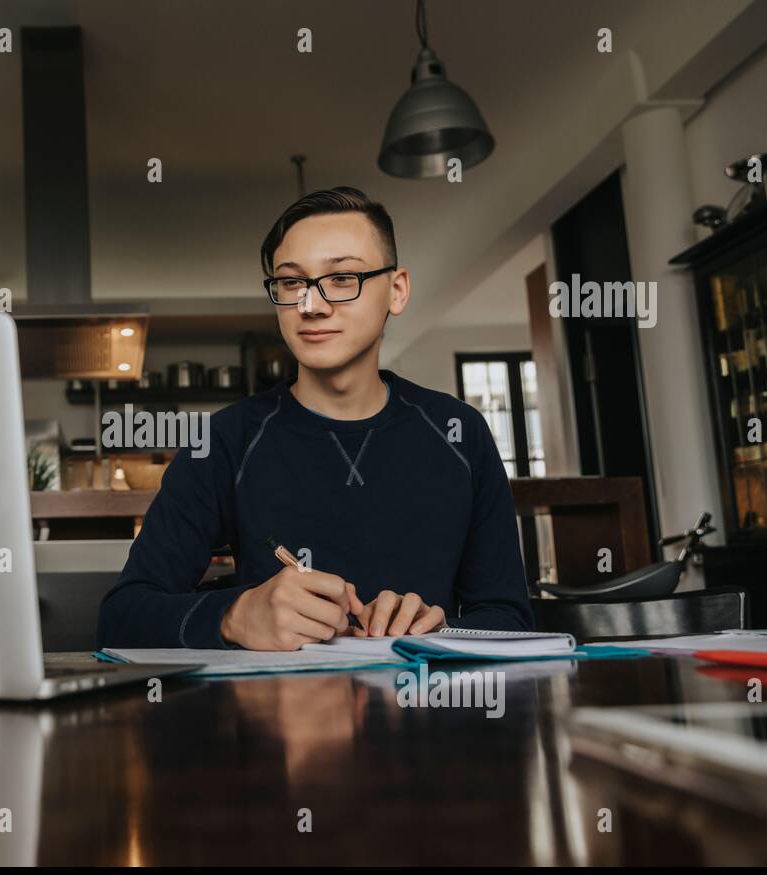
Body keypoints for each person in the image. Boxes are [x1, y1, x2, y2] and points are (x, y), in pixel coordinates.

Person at [98, 186, 533, 651]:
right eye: (292, 283)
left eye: (343, 277)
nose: (311, 305)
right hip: (274, 715)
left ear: (398, 290)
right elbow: (121, 618)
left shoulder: (460, 432)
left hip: (430, 709)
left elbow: (509, 618)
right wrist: (233, 616)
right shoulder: (223, 441)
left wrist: (444, 631)